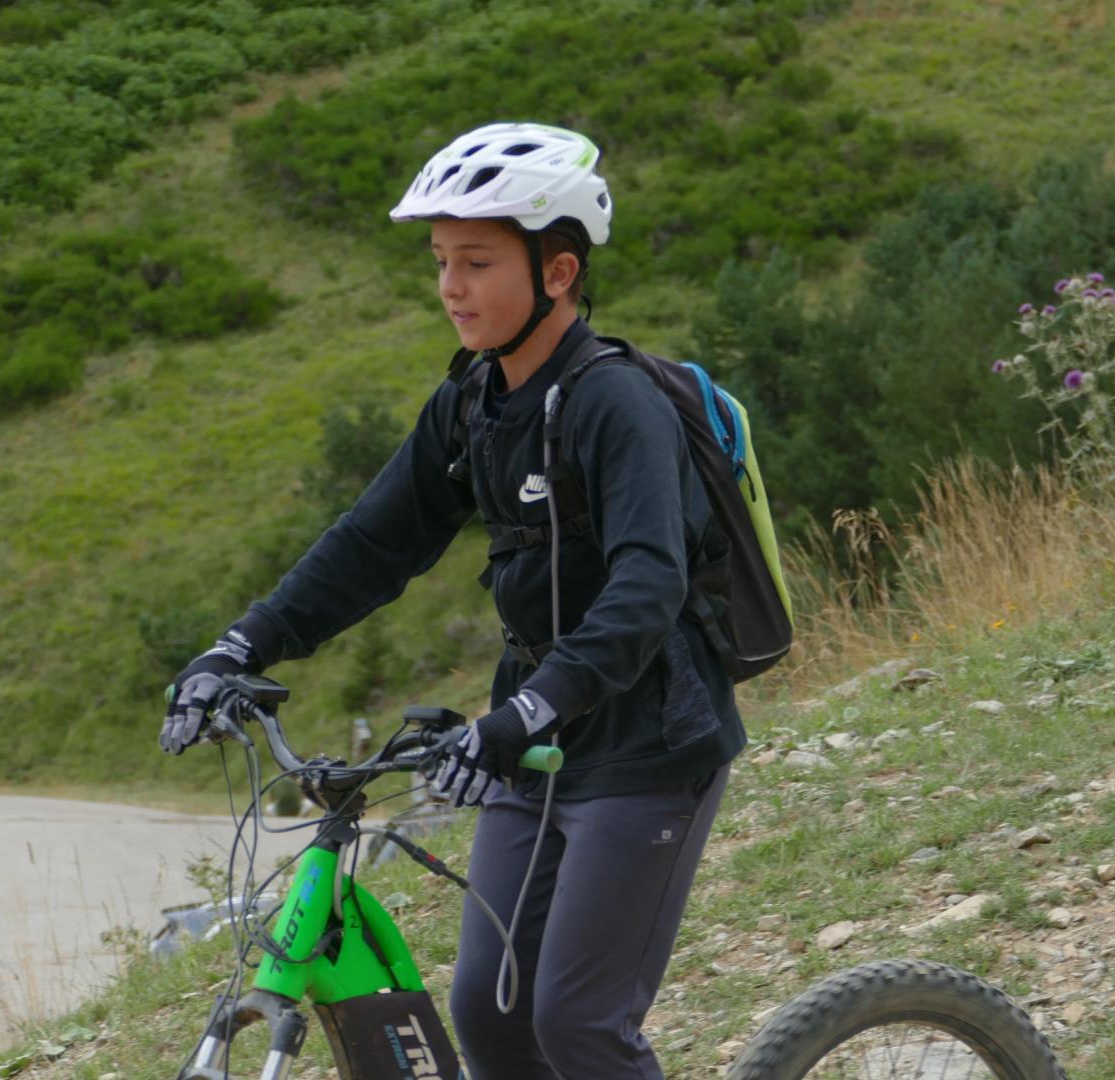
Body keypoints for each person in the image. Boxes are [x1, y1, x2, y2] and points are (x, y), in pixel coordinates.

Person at [156, 121, 746, 1079]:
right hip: (534, 740)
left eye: (476, 261)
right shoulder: (474, 399)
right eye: (440, 260)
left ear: (558, 272)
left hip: (647, 743)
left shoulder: (615, 402)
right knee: (490, 1010)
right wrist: (239, 647)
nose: (450, 286)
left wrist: (523, 713)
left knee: (579, 1020)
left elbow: (650, 585)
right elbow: (372, 543)